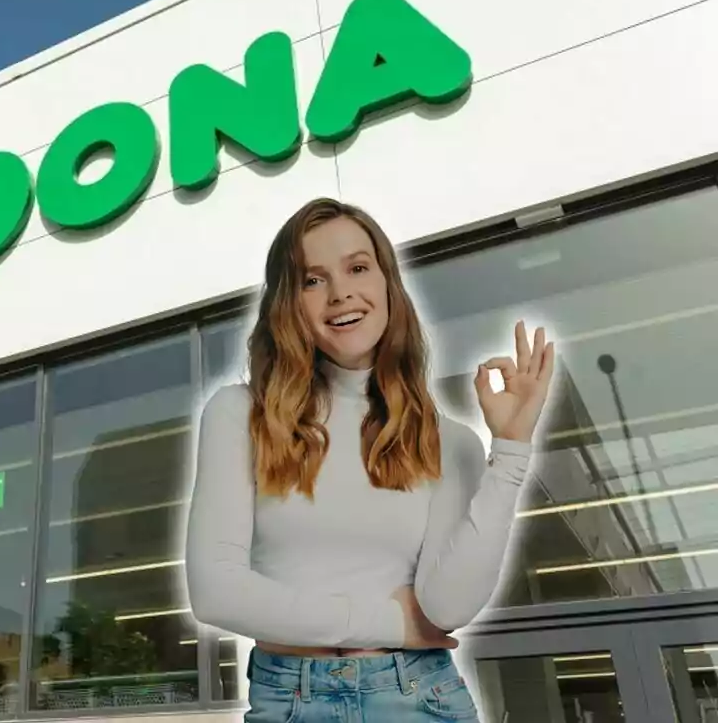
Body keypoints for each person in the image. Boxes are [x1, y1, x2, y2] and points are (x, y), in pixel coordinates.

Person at [185, 198, 555, 722]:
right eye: (313, 280)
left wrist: (512, 449)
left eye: (358, 268)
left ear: (386, 284)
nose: (340, 294)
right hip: (292, 700)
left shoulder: (449, 441)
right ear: (289, 303)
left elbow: (447, 607)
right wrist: (388, 622)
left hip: (420, 696)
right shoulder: (239, 414)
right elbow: (216, 593)